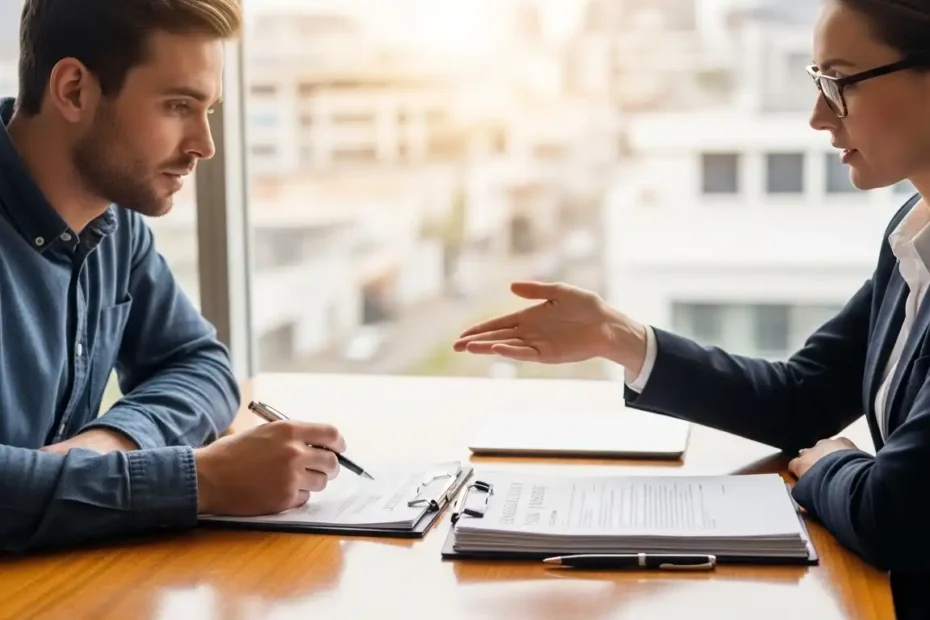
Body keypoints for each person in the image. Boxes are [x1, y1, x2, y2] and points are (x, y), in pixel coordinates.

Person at [455, 0, 930, 617]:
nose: (818, 116)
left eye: (839, 84)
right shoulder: (911, 237)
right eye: (818, 83)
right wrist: (618, 336)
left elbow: (895, 514)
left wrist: (831, 464)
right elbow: (803, 399)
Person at [0, 0, 346, 553]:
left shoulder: (115, 222)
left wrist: (106, 447)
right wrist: (198, 480)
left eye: (208, 108)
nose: (203, 146)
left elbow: (201, 365)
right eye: (177, 105)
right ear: (72, 90)